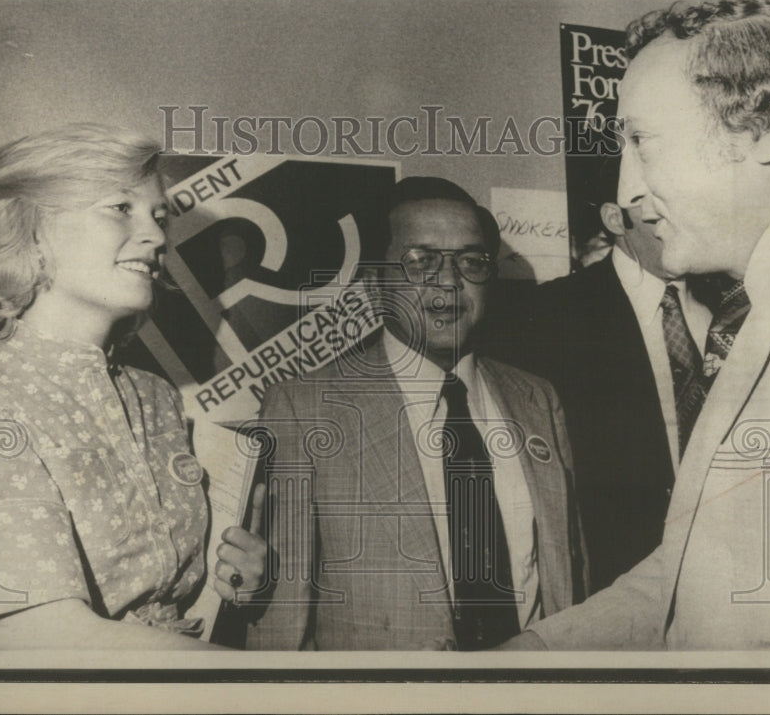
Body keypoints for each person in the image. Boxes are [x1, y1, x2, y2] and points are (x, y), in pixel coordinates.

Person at [501, 0, 770, 653]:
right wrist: (540, 649)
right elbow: (698, 563)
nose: (626, 190)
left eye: (641, 142)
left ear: (763, 127)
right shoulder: (760, 311)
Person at [246, 177, 587, 651]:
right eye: (420, 261)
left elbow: (571, 581)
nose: (448, 281)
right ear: (373, 281)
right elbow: (281, 626)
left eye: (471, 261)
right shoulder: (304, 408)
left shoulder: (538, 400)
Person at [0, 123, 266, 650]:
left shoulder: (155, 396)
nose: (158, 236)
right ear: (30, 227)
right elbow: (41, 639)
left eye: (159, 217)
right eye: (121, 208)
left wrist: (237, 580)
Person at [489, 196, 711, 594]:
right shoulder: (546, 317)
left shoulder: (738, 309)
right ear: (614, 218)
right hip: (611, 584)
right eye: (657, 205)